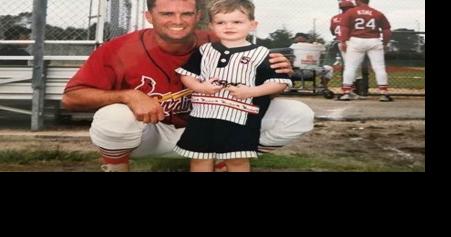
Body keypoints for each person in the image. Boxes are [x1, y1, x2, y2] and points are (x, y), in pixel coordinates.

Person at [62, 0, 314, 172]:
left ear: (198, 16)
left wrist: (277, 67)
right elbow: (72, 98)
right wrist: (128, 96)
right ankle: (116, 165)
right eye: (167, 13)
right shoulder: (118, 49)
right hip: (151, 136)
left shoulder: (223, 41)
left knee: (297, 114)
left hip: (215, 129)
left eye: (186, 13)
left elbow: (266, 82)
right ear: (149, 16)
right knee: (114, 115)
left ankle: (225, 160)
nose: (178, 21)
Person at [173, 0, 292, 172]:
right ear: (211, 26)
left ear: (252, 25)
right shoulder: (205, 50)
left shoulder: (262, 54)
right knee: (199, 158)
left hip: (240, 119)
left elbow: (280, 83)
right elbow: (186, 74)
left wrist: (252, 91)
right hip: (202, 116)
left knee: (237, 161)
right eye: (221, 22)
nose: (229, 26)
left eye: (237, 22)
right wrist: (200, 87)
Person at [338, 0, 393, 102]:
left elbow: (344, 28)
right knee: (379, 67)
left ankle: (346, 92)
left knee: (350, 67)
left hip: (356, 40)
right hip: (374, 40)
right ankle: (384, 93)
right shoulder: (377, 13)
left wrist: (343, 41)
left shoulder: (350, 12)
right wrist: (385, 43)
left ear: (358, 1)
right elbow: (386, 30)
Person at [330, 0, 363, 100]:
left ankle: (350, 90)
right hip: (351, 42)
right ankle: (347, 91)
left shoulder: (335, 18)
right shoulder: (353, 17)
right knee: (353, 68)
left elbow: (332, 32)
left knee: (351, 67)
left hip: (341, 43)